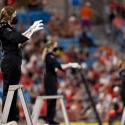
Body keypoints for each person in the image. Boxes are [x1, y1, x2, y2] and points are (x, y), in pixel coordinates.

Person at [0, 6, 43, 122]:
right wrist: (32, 29)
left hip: (14, 61)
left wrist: (31, 30)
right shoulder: (3, 28)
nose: (15, 17)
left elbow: (18, 41)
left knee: (12, 91)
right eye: (14, 14)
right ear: (9, 16)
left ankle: (12, 118)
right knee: (8, 91)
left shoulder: (9, 28)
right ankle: (7, 119)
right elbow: (19, 38)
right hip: (10, 62)